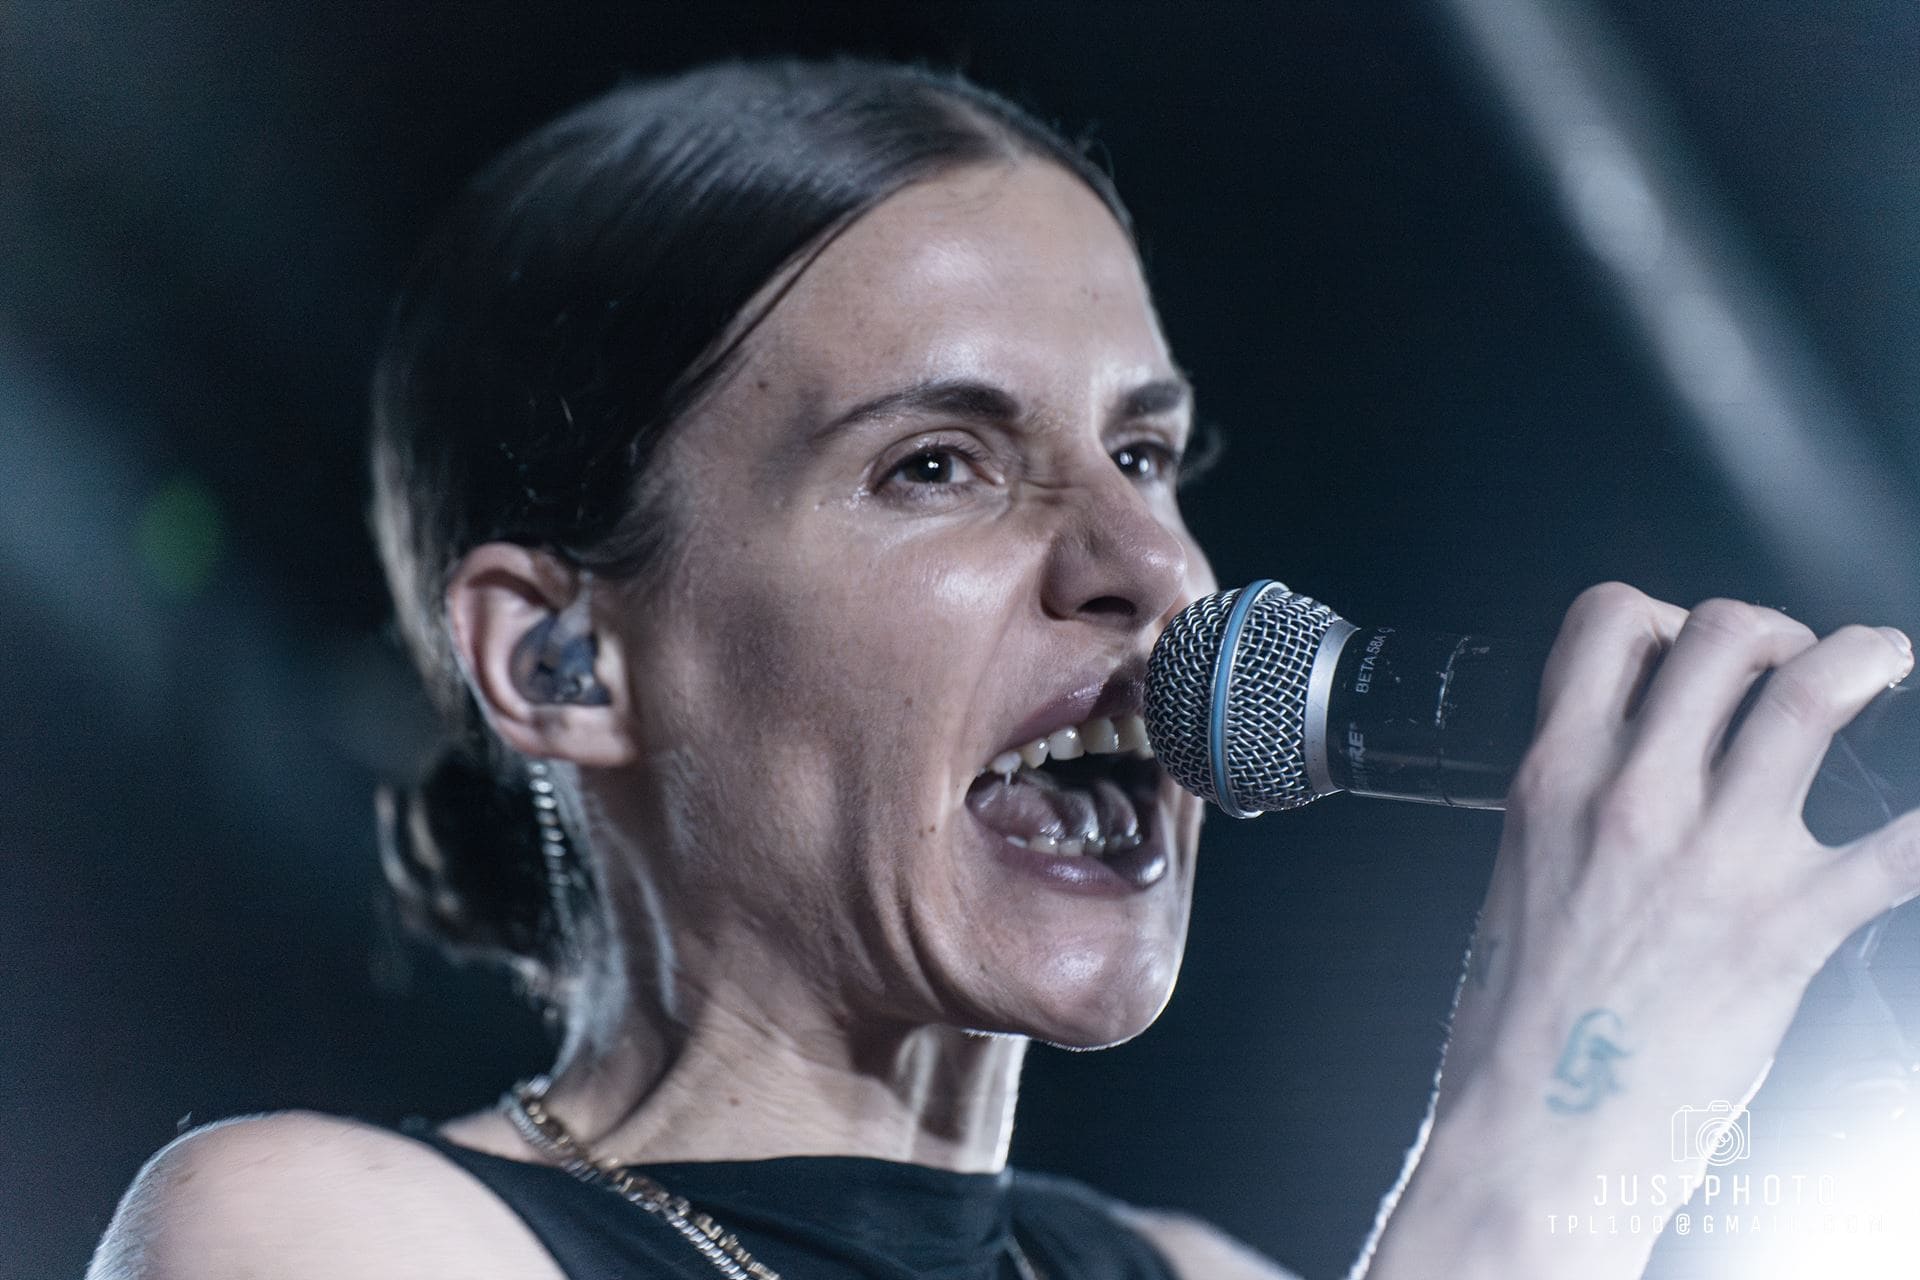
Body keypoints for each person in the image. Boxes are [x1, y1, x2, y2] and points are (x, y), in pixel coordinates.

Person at [87, 57, 1920, 1280]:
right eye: (939, 465)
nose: (1153, 567)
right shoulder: (317, 1235)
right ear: (563, 657)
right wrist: (1542, 1152)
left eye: (1145, 454)